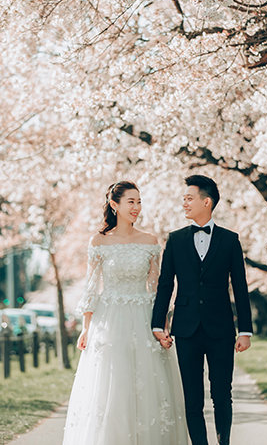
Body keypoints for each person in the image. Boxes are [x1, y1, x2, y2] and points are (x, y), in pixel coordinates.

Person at [62, 181, 188, 445]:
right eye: (131, 201)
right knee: (113, 385)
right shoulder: (98, 241)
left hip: (143, 319)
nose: (137, 207)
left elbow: (157, 291)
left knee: (148, 389)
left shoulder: (150, 241)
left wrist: (162, 327)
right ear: (114, 204)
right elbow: (91, 288)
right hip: (109, 321)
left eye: (139, 202)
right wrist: (86, 327)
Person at [151, 175, 253, 445]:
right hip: (185, 329)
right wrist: (158, 325)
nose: (184, 202)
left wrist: (245, 330)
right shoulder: (174, 240)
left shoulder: (230, 240)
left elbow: (240, 288)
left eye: (189, 198)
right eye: (183, 198)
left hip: (220, 329)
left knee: (222, 395)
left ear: (206, 202)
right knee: (192, 399)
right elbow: (165, 285)